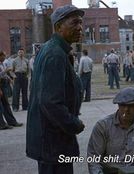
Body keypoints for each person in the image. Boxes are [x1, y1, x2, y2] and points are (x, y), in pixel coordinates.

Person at [26, 5, 85, 174]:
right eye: (74, 23)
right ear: (59, 27)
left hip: (52, 141)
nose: (80, 27)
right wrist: (73, 123)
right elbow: (50, 102)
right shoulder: (55, 54)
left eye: (80, 23)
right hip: (53, 143)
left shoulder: (54, 49)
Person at [87, 87, 134, 173]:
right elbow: (93, 158)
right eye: (122, 105)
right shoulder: (103, 126)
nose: (126, 109)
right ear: (118, 105)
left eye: (131, 106)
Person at [0, 51, 23, 130]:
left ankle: (11, 121)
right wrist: (5, 71)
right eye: (3, 56)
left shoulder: (2, 64)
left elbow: (4, 74)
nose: (4, 58)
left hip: (3, 84)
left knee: (6, 105)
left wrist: (9, 79)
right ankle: (1, 124)